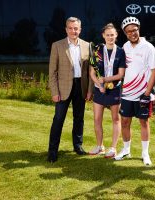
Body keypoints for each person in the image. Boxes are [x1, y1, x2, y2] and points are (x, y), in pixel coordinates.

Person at [114, 16, 155, 166]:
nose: (132, 33)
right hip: (127, 93)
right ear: (125, 33)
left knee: (143, 122)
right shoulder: (125, 47)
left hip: (142, 94)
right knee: (125, 122)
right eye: (128, 32)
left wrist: (147, 94)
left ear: (138, 29)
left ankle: (145, 153)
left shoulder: (148, 47)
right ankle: (126, 149)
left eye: (134, 30)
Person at [47, 17, 93, 163]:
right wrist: (54, 92)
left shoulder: (87, 45)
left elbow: (90, 72)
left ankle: (78, 146)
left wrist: (90, 90)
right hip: (63, 88)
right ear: (66, 29)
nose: (74, 31)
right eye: (71, 28)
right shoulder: (57, 45)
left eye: (76, 28)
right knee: (58, 119)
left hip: (81, 86)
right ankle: (52, 151)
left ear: (80, 29)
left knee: (79, 118)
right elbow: (52, 72)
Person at [88, 23, 126, 158]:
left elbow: (121, 74)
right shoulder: (97, 50)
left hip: (115, 89)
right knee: (97, 119)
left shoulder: (121, 51)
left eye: (112, 35)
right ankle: (100, 146)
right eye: (107, 35)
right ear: (103, 35)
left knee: (116, 119)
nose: (110, 37)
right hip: (99, 89)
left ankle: (113, 148)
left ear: (116, 35)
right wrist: (98, 83)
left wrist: (105, 80)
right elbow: (92, 72)